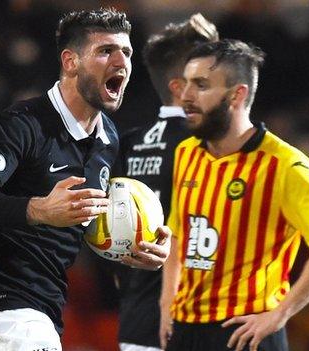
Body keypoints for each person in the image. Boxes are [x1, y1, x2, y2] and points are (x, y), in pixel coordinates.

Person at [0, 9, 171, 351]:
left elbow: (98, 223)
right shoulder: (24, 124)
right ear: (70, 61)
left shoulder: (108, 137)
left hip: (38, 313)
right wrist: (39, 210)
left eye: (127, 52)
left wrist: (137, 245)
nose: (121, 60)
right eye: (106, 50)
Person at [159, 39, 309, 351]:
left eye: (201, 85)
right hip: (186, 330)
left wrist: (280, 314)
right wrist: (167, 300)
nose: (186, 96)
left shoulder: (284, 164)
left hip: (244, 332)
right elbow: (179, 235)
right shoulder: (187, 152)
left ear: (237, 95)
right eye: (185, 84)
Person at [112, 13, 218, 351]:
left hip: (136, 323)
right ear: (179, 86)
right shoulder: (211, 145)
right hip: (198, 324)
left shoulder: (123, 143)